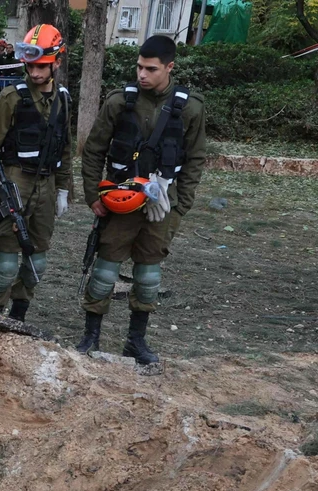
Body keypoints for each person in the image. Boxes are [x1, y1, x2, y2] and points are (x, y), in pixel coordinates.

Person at [76, 35, 206, 365]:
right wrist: (94, 195)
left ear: (170, 68)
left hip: (162, 206)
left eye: (151, 69)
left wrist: (180, 208)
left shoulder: (189, 108)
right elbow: (93, 151)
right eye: (138, 67)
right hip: (118, 202)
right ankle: (91, 336)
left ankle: (136, 341)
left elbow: (194, 161)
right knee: (104, 272)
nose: (142, 75)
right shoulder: (120, 102)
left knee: (148, 278)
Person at [0, 24, 72, 321]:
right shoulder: (12, 98)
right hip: (15, 181)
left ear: (56, 63)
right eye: (31, 65)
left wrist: (64, 189)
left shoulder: (63, 100)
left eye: (42, 66)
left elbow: (65, 148)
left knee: (36, 262)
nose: (35, 72)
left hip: (48, 186)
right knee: (6, 264)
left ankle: (19, 317)